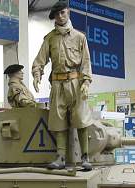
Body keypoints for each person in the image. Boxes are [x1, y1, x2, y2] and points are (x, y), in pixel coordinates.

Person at [32, 0, 93, 170]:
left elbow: (86, 62)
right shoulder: (50, 38)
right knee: (58, 122)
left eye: (62, 12)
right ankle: (60, 157)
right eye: (57, 14)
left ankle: (85, 157)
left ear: (68, 12)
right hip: (57, 84)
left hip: (76, 82)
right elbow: (40, 60)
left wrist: (86, 82)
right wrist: (37, 75)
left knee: (81, 119)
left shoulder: (80, 37)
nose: (60, 16)